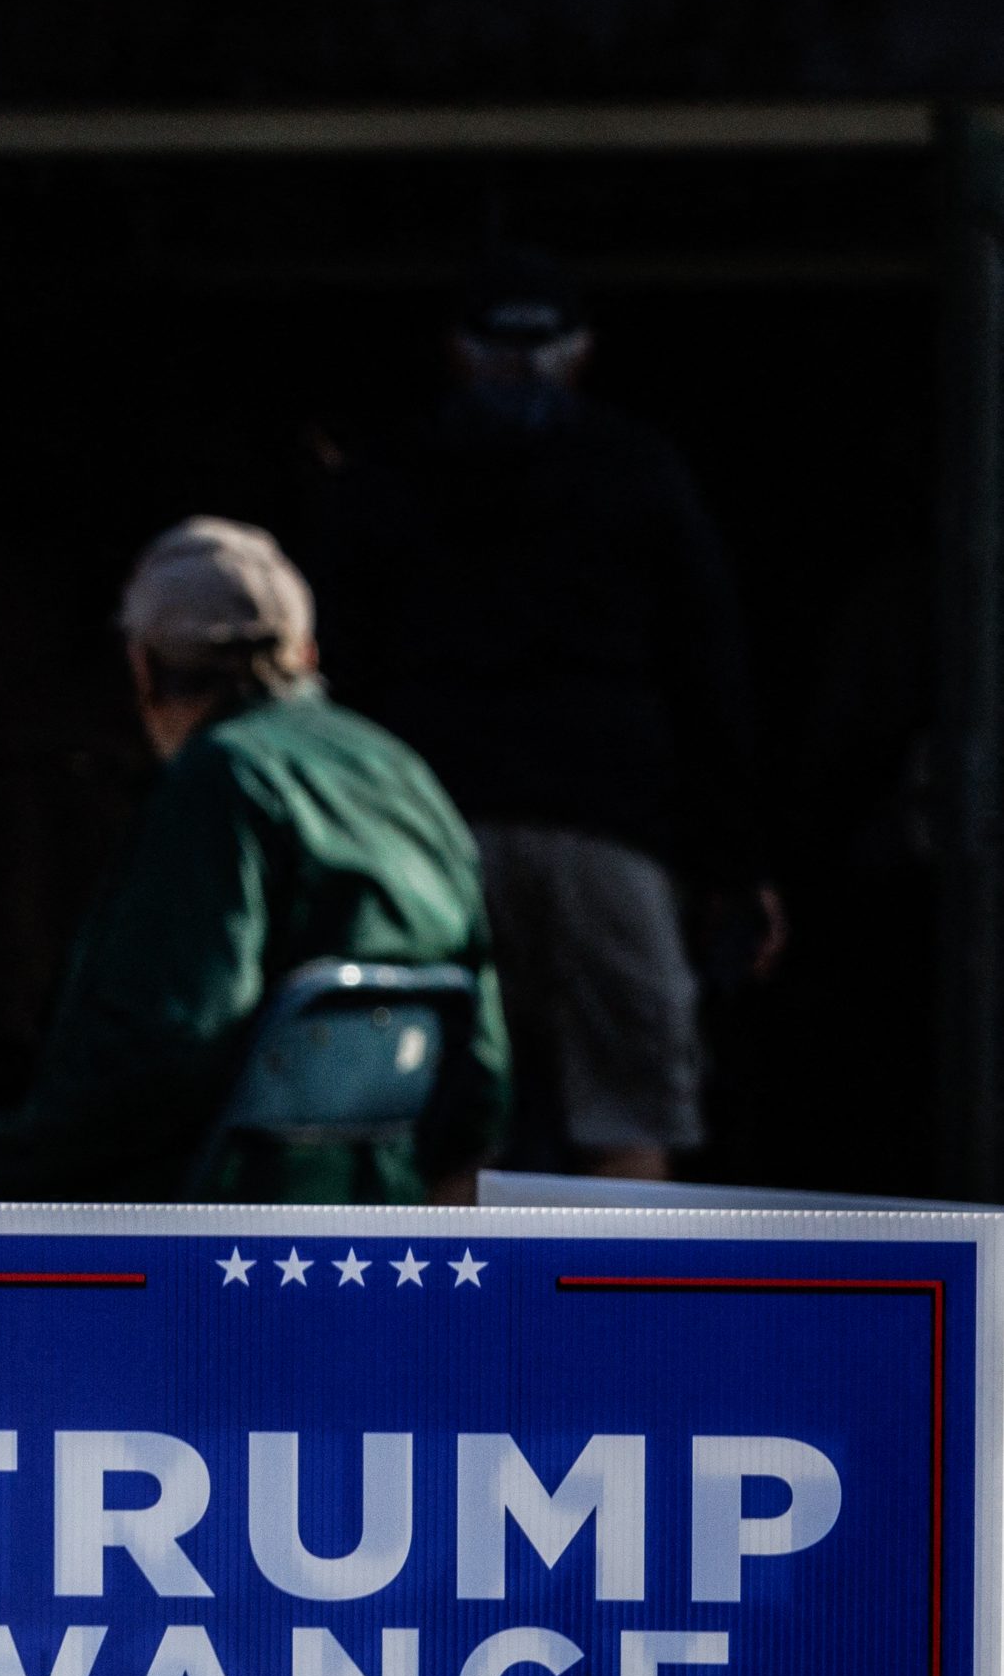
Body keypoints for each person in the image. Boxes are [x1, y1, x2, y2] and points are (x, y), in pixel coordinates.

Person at [320, 250, 783, 1180]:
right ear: (585, 353)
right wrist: (738, 863)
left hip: (434, 836)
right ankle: (623, 1320)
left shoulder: (391, 472)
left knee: (449, 1107)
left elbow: (340, 669)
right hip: (593, 831)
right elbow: (709, 673)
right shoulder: (637, 469)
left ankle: (462, 1321)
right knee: (626, 1102)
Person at [0, 516, 509, 1203]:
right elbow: (481, 1060)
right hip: (375, 1219)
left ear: (143, 668)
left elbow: (157, 1054)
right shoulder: (399, 771)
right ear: (304, 651)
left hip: (211, 1237)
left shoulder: (218, 782)